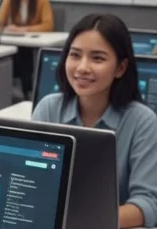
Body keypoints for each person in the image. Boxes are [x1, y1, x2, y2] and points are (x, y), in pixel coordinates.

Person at [32, 14, 157, 229]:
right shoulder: (49, 108)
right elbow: (32, 182)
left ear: (120, 68)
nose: (82, 67)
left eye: (97, 58)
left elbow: (148, 204)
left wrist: (81, 222)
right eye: (75, 55)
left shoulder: (142, 122)